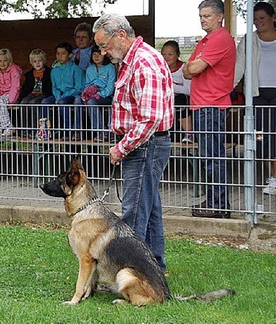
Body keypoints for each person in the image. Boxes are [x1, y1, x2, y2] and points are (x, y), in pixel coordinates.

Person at [94, 13, 174, 271]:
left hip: (144, 146)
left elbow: (150, 119)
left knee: (133, 214)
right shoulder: (132, 60)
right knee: (149, 211)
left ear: (120, 35)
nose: (104, 52)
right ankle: (154, 267)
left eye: (104, 45)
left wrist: (121, 147)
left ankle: (130, 272)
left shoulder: (143, 62)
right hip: (144, 145)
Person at [183, 0, 236, 218]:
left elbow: (192, 67)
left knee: (213, 157)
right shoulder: (205, 40)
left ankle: (219, 205)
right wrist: (191, 66)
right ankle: (215, 200)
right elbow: (188, 71)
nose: (202, 20)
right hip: (203, 105)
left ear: (219, 16)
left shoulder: (219, 39)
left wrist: (192, 65)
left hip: (211, 104)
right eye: (201, 16)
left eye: (207, 16)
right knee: (208, 156)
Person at [234, 1, 276, 196]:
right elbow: (239, 66)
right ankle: (272, 178)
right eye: (255, 19)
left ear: (273, 18)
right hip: (256, 93)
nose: (258, 22)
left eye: (262, 18)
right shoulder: (248, 39)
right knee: (260, 138)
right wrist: (227, 88)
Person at [41, 42, 83, 137]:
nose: (60, 56)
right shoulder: (54, 70)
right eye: (58, 53)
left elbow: (79, 87)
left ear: (70, 55)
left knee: (62, 102)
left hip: (72, 95)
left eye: (63, 53)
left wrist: (63, 97)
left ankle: (66, 130)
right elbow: (54, 87)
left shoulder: (76, 69)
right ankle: (44, 130)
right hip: (59, 95)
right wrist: (58, 97)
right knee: (44, 102)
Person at [75, 44, 116, 142]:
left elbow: (110, 88)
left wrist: (98, 95)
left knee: (91, 102)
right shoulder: (90, 69)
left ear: (104, 55)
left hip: (106, 96)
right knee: (77, 99)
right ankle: (77, 130)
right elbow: (87, 85)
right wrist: (88, 93)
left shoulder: (110, 68)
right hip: (92, 96)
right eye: (94, 55)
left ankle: (102, 132)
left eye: (99, 54)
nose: (96, 57)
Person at [161, 40, 193, 143]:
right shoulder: (159, 69)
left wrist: (170, 86)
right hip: (165, 100)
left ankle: (189, 134)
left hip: (181, 100)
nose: (166, 58)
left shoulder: (184, 68)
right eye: (163, 55)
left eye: (170, 54)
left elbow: (188, 90)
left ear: (177, 55)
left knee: (180, 100)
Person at [0, 48, 22, 137]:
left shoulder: (14, 70)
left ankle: (8, 126)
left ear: (9, 60)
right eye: (0, 61)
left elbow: (15, 86)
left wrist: (11, 100)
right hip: (0, 94)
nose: (2, 63)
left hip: (11, 95)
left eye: (5, 61)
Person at [71, 22, 93, 90]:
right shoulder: (71, 54)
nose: (80, 40)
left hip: (88, 88)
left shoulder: (95, 53)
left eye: (84, 37)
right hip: (72, 88)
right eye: (78, 37)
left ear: (91, 39)